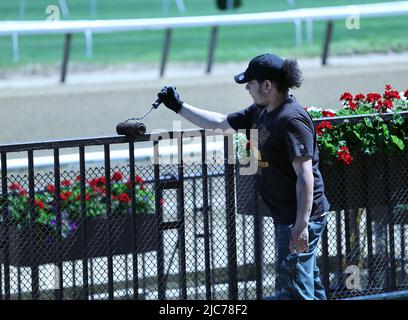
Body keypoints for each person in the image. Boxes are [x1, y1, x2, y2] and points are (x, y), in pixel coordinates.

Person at [157, 53, 330, 300]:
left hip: (300, 218)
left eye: (251, 83)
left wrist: (301, 225)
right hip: (290, 217)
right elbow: (220, 123)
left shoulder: (291, 119)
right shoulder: (261, 111)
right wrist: (178, 106)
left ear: (267, 85)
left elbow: (305, 176)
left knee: (294, 292)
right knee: (308, 286)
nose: (248, 88)